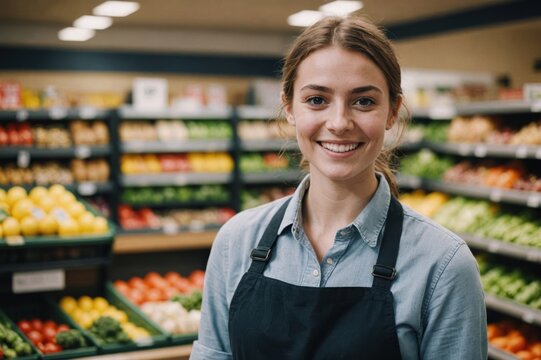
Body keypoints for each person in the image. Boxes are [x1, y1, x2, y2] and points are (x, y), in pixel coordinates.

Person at [190, 15, 487, 360]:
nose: (339, 123)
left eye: (363, 101)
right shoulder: (237, 241)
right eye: (317, 100)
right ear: (289, 108)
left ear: (392, 111)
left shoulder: (443, 264)